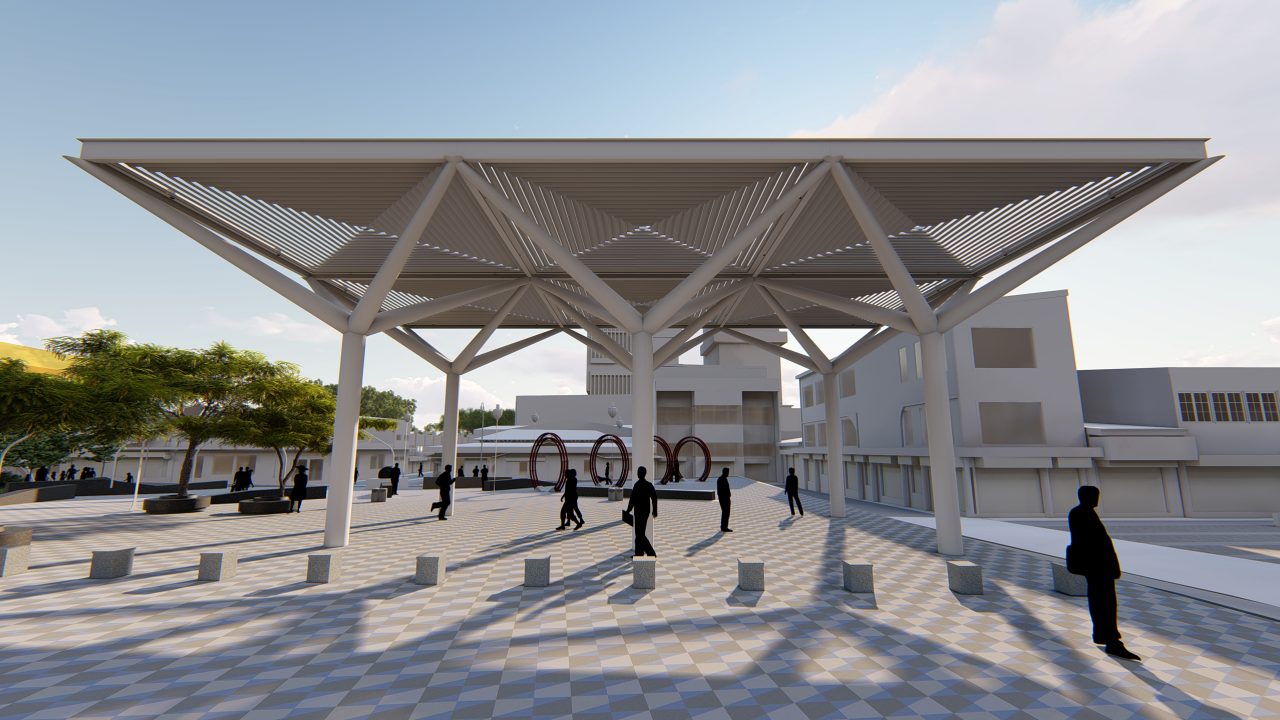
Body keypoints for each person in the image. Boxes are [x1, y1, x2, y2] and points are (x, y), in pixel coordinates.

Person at [1068, 485, 1140, 661]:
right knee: (1105, 603)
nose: (1097, 499)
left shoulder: (1082, 512)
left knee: (1099, 601)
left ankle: (1102, 634)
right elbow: (1093, 543)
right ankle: (1112, 640)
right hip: (1098, 567)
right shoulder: (1082, 513)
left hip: (1096, 566)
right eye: (1094, 495)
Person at [626, 466, 658, 557]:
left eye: (638, 472)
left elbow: (632, 500)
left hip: (638, 512)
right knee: (640, 533)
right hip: (645, 512)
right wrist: (655, 510)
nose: (637, 473)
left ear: (639, 474)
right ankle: (639, 553)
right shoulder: (648, 485)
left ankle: (651, 553)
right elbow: (654, 498)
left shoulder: (637, 485)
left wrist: (628, 510)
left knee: (640, 534)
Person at [716, 467, 732, 532]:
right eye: (727, 472)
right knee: (725, 513)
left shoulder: (722, 478)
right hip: (724, 499)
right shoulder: (721, 479)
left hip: (725, 498)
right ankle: (724, 527)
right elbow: (720, 491)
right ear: (725, 472)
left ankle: (724, 526)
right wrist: (726, 496)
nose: (728, 474)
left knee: (726, 513)